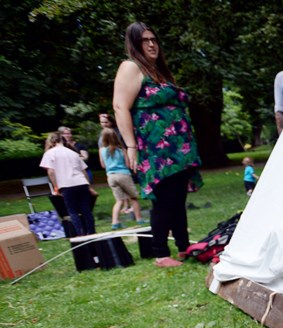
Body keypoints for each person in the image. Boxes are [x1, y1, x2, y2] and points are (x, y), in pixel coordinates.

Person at [113, 21, 203, 268]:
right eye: (145, 40)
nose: (152, 44)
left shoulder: (158, 71)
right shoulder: (131, 67)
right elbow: (120, 107)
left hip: (177, 148)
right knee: (163, 200)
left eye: (154, 40)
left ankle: (184, 247)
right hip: (156, 149)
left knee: (177, 197)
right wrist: (131, 146)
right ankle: (160, 253)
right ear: (134, 44)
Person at [40, 132, 96, 235]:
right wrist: (88, 185)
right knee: (86, 209)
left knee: (72, 211)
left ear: (52, 141)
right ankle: (91, 231)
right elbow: (83, 171)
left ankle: (80, 233)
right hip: (81, 183)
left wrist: (56, 186)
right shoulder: (73, 153)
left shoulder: (50, 153)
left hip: (66, 185)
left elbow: (51, 172)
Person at [99, 127, 143, 229]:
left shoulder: (101, 150)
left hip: (111, 176)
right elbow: (127, 164)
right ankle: (139, 219)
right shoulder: (121, 150)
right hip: (123, 174)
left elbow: (103, 165)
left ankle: (115, 222)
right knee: (133, 198)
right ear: (116, 137)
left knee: (119, 200)